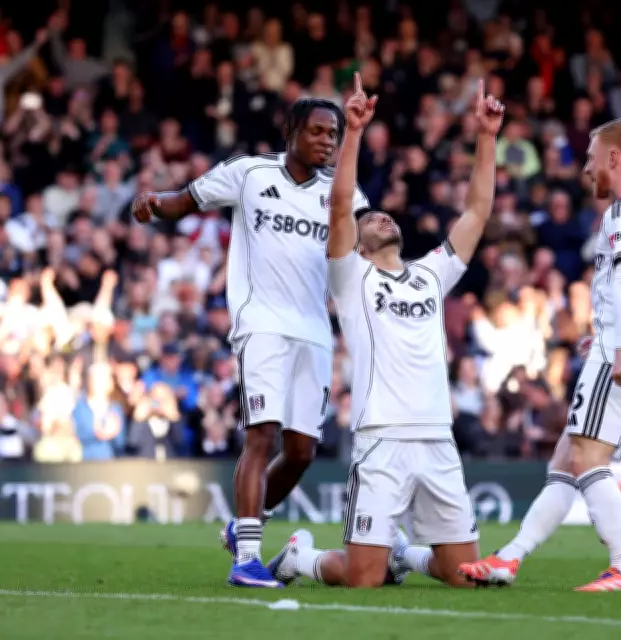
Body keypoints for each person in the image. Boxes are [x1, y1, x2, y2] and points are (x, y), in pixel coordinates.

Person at [263, 73, 505, 588]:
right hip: (381, 438)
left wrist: (486, 139)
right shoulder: (352, 276)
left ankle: (405, 556)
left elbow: (478, 210)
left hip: (438, 437)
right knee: (361, 580)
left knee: (465, 577)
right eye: (370, 220)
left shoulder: (431, 273)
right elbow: (339, 203)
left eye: (385, 217)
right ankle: (298, 557)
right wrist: (352, 132)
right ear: (360, 241)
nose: (382, 219)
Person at [130, 98, 369, 588]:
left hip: (315, 330)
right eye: (318, 131)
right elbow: (185, 201)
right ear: (290, 131)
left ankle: (242, 528)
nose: (327, 140)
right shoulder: (249, 173)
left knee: (302, 451)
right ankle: (247, 561)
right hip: (260, 321)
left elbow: (366, 248)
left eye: (334, 134)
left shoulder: (342, 193)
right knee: (262, 435)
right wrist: (154, 202)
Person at [458, 119, 621, 592]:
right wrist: (611, 332)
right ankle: (509, 559)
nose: (585, 168)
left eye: (591, 157)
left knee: (585, 459)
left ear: (614, 159)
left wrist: (618, 344)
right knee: (565, 460)